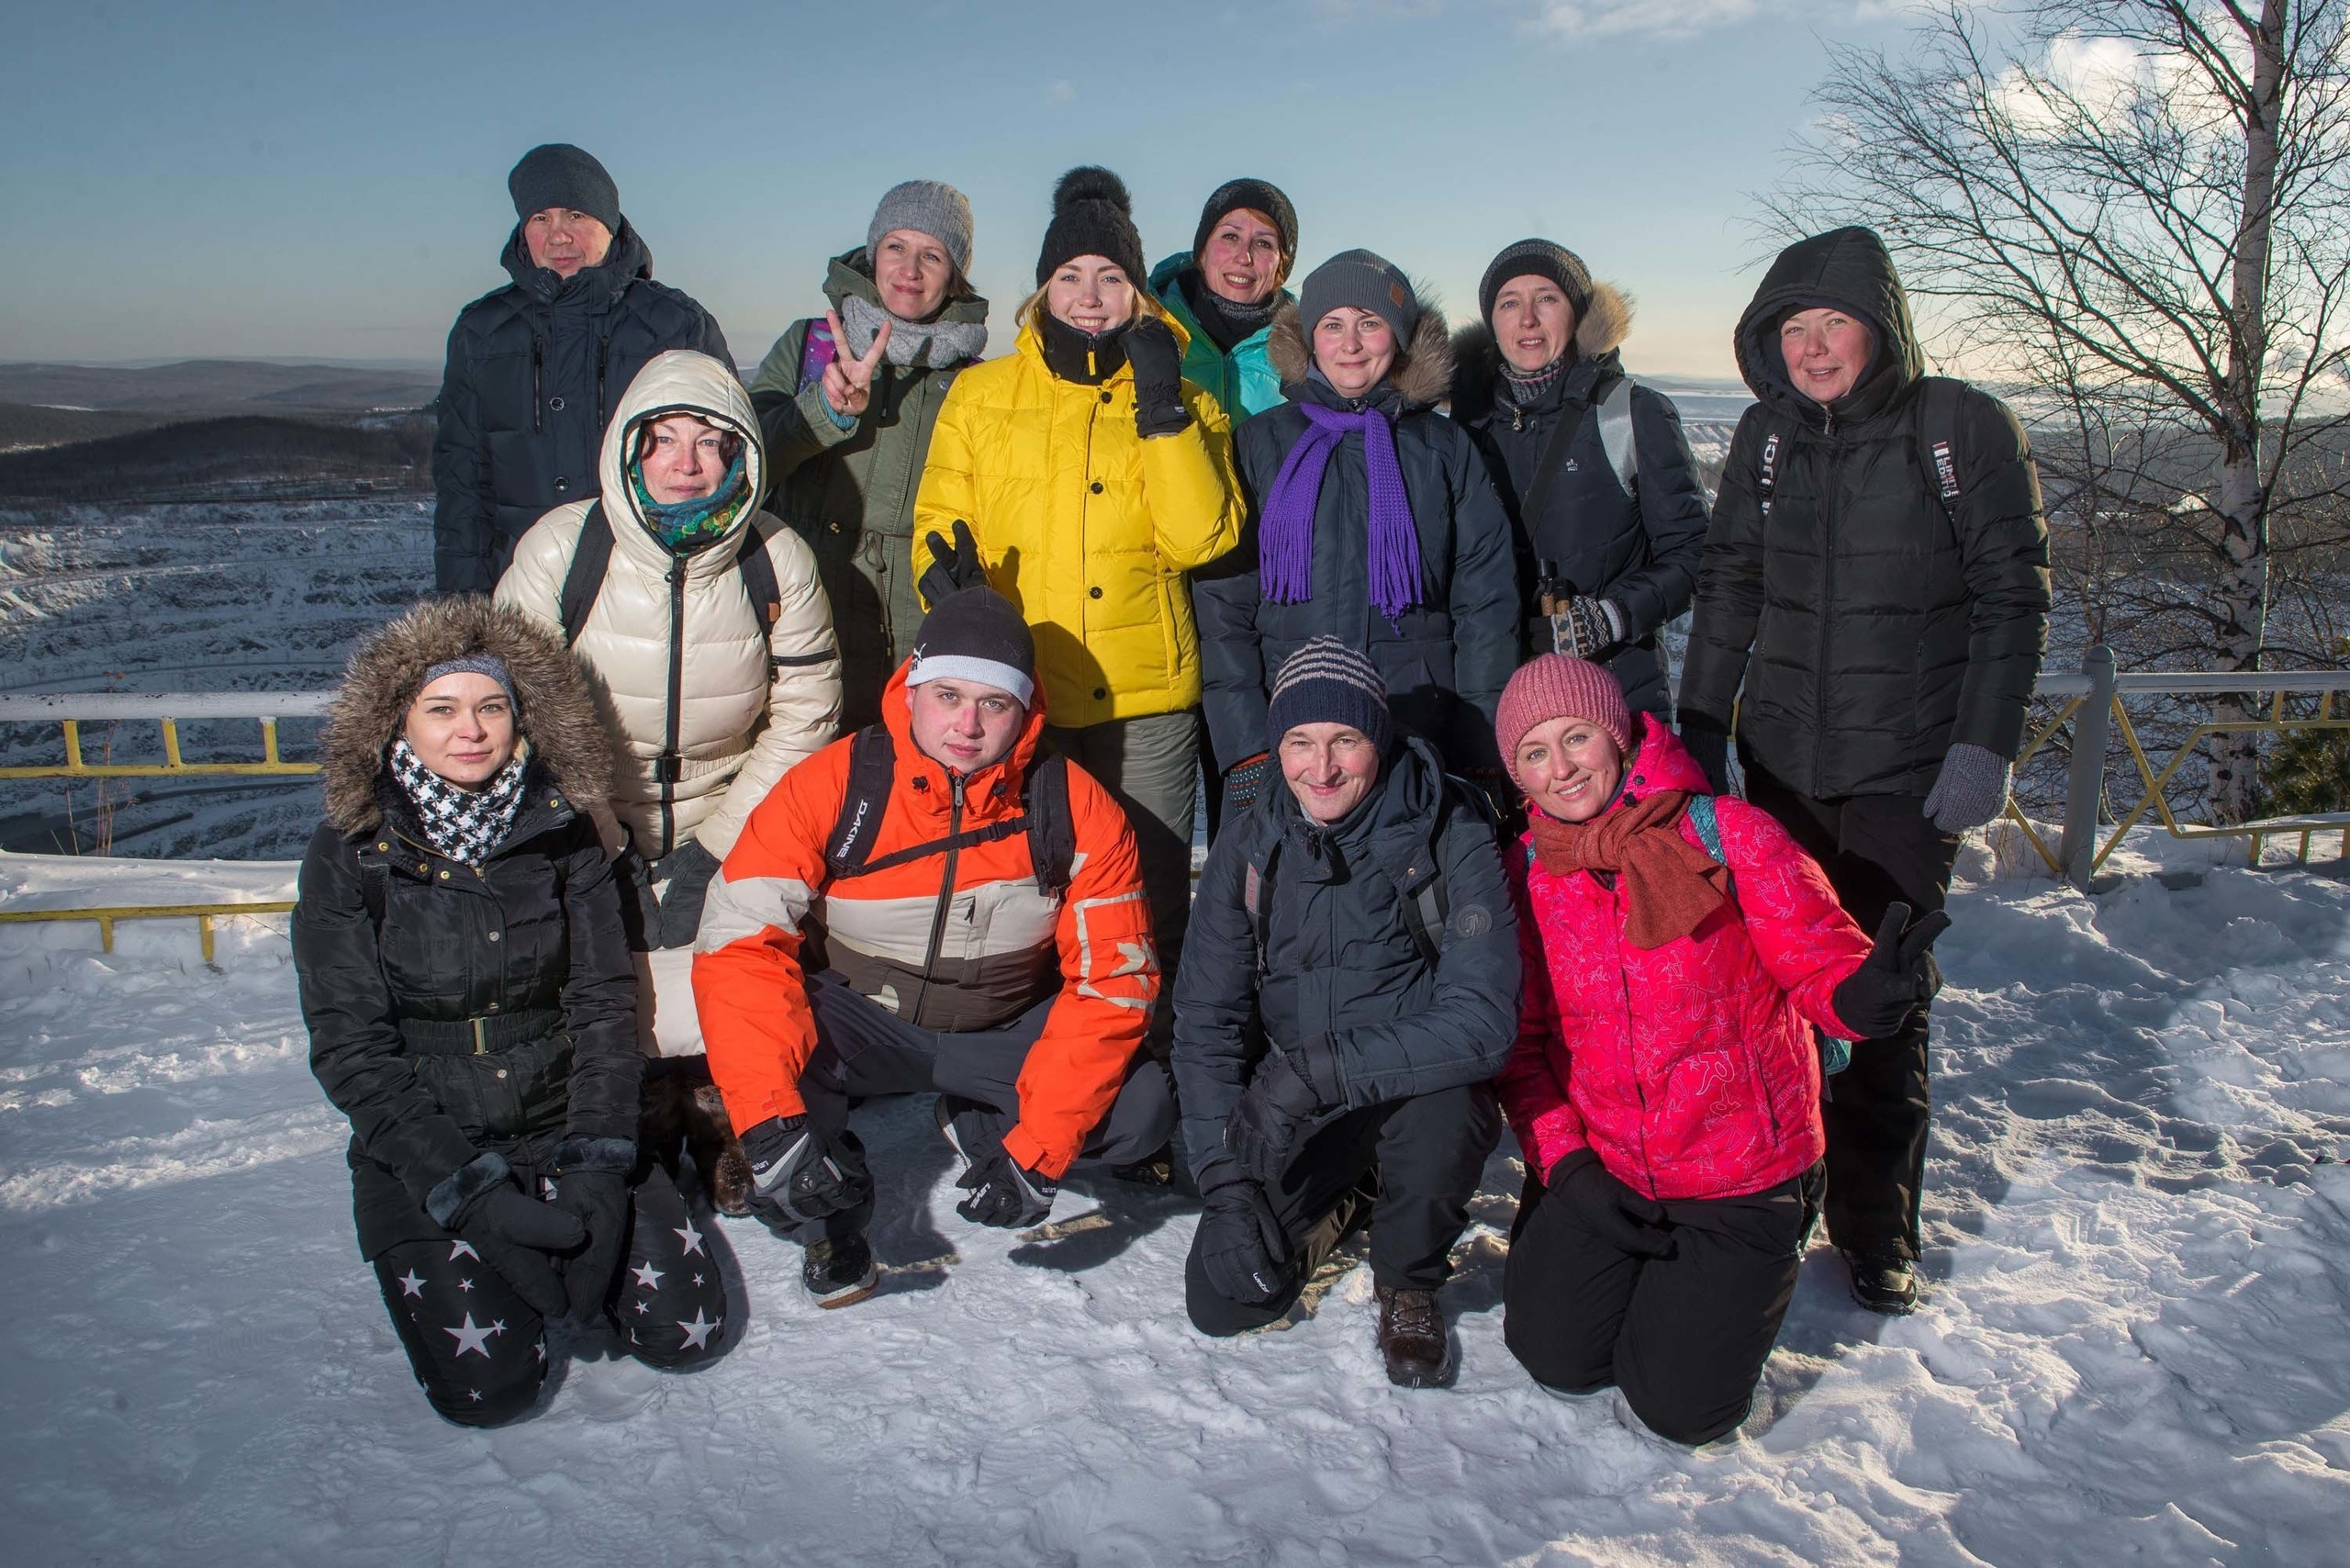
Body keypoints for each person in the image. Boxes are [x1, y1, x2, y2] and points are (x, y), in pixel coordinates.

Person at [1678, 225, 2050, 1314]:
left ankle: (1876, 1225)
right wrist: (1702, 722)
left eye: (1830, 323)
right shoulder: (1765, 438)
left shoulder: (1959, 427)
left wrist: (1981, 745)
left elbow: (2011, 597)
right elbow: (1731, 581)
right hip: (1782, 761)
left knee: (1881, 996)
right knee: (1784, 988)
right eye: (1791, 328)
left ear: (1880, 329)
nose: (1811, 347)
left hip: (1905, 768)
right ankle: (1784, 1184)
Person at [292, 597, 730, 1428]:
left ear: (522, 716)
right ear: (395, 720)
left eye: (492, 706)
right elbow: (351, 1049)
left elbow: (603, 1002)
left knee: (687, 1332)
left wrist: (599, 1158)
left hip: (564, 1120)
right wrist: (466, 1193)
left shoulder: (565, 832)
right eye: (442, 709)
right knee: (489, 1394)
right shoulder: (351, 853)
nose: (472, 730)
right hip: (434, 1144)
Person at [1494, 654, 1946, 1444]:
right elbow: (1523, 1048)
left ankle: (1754, 1254)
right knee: (1555, 1356)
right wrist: (1566, 1167)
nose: (1561, 768)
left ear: (1618, 735)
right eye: (1535, 752)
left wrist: (1861, 996)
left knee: (1681, 1410)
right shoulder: (1528, 870)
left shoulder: (1728, 833)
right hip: (1610, 1165)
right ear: (1517, 774)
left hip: (1742, 1171)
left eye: (1576, 737)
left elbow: (1818, 956)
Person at [692, 583, 1175, 1308]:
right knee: (774, 1105)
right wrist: (769, 1123)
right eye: (948, 695)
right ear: (912, 689)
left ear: (1026, 711)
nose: (967, 726)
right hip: (862, 1016)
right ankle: (832, 1225)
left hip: (1002, 1025)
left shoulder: (1077, 808)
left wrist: (1041, 1150)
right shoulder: (832, 783)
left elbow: (1113, 982)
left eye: (994, 703)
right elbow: (738, 945)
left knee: (1141, 1113)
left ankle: (983, 1124)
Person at [497, 348, 842, 1216]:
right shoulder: (565, 550)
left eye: (709, 443)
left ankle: (726, 1117)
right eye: (663, 440)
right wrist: (605, 837)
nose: (686, 463)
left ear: (740, 454)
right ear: (629, 446)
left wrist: (718, 847)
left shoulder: (775, 559)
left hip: (732, 802)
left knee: (731, 960)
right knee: (605, 964)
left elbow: (806, 713)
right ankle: (639, 1120)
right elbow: (524, 710)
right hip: (589, 805)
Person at [912, 165, 1245, 1064]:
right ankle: (1028, 1068)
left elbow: (1202, 538)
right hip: (1027, 698)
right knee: (1026, 897)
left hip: (1148, 704)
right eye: (1070, 276)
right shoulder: (983, 397)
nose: (1090, 297)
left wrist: (1161, 408)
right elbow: (938, 521)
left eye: (1110, 277)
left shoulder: (1186, 397)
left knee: (1151, 900)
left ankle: (1152, 1072)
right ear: (1042, 289)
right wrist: (949, 590)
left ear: (1138, 292)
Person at [1173, 639, 1516, 1386]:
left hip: (1411, 1085)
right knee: (1224, 1297)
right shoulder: (1250, 840)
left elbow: (1482, 1022)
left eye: (1345, 740)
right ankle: (1360, 1190)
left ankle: (1408, 1278)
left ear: (1379, 740)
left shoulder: (1450, 828)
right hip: (1298, 1102)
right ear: (1277, 746)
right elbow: (1206, 1021)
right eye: (1300, 741)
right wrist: (1226, 1189)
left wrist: (1313, 1072)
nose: (1321, 768)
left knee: (1448, 1112)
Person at [1195, 247, 1518, 819]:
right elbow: (1224, 606)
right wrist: (1245, 747)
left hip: (1415, 722)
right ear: (1309, 339)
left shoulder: (1444, 448)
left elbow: (1485, 605)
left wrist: (1480, 749)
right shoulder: (1261, 443)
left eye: (1369, 324)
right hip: (1290, 730)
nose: (1350, 344)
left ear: (1399, 337)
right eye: (1332, 325)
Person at [748, 181, 991, 733]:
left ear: (954, 274)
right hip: (802, 607)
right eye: (896, 247)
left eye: (932, 255)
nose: (910, 270)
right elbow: (745, 468)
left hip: (916, 623)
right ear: (872, 253)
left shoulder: (976, 382)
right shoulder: (809, 346)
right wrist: (822, 410)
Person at [434, 143, 732, 593]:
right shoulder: (482, 331)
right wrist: (463, 605)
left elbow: (726, 465)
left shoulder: (677, 325)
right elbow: (461, 484)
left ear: (608, 224)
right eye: (540, 218)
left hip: (643, 590)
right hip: (518, 586)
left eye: (575, 215)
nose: (558, 236)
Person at [1449, 240, 1709, 718]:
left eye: (1547, 298)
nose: (1528, 319)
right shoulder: (1468, 424)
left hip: (1613, 694)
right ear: (1492, 322)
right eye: (1509, 303)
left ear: (1577, 314)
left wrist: (1612, 616)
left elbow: (1696, 553)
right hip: (1503, 701)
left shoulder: (1628, 413)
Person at [1147, 177, 1299, 424]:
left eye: (1263, 243)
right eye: (1230, 236)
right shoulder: (1143, 327)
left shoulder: (1311, 346)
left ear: (1281, 264)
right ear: (1202, 251)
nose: (1244, 257)